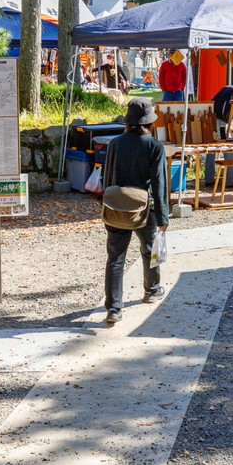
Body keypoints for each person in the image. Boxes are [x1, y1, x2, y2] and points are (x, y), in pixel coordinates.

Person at [103, 98, 170, 325]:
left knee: (115, 257)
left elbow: (107, 176)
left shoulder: (115, 143)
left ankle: (113, 309)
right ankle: (151, 290)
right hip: (145, 208)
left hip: (116, 205)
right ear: (149, 122)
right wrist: (163, 216)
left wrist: (107, 203)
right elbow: (160, 183)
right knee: (149, 249)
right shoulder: (154, 146)